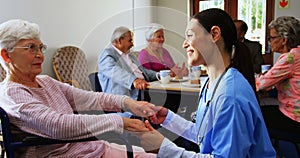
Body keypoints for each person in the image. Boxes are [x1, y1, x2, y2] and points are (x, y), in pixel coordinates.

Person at [0, 19, 157, 158]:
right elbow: (58, 125)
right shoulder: (12, 93)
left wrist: (129, 103)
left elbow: (90, 98)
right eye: (31, 48)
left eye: (41, 48)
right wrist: (120, 122)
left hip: (92, 148)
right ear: (6, 55)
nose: (40, 55)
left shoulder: (46, 81)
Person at [135, 8, 276, 157]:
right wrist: (169, 119)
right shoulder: (212, 82)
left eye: (189, 36)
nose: (184, 44)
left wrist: (164, 148)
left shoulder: (230, 96)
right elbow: (205, 134)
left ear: (214, 34)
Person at [256, 16, 300, 132]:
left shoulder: (290, 58)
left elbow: (260, 85)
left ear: (284, 39)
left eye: (271, 38)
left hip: (294, 117)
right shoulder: (297, 53)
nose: (269, 42)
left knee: (252, 114)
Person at [98, 26, 157, 101]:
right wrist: (133, 80)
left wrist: (159, 75)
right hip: (124, 99)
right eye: (130, 41)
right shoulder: (106, 54)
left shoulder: (130, 55)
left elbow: (144, 71)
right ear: (119, 41)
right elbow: (114, 71)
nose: (132, 44)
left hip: (144, 91)